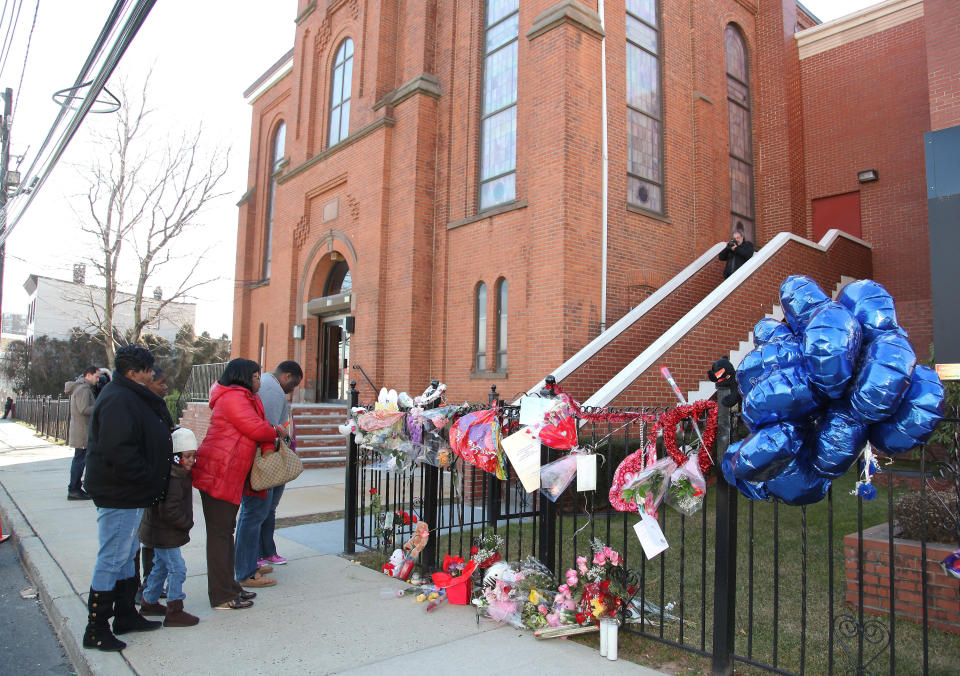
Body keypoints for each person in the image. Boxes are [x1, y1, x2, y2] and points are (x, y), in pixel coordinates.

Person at [82, 345, 172, 652]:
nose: (152, 374)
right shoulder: (118, 399)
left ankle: (124, 615)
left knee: (126, 553)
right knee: (112, 557)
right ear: (133, 373)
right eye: (148, 370)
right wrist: (147, 475)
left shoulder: (128, 395)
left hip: (129, 492)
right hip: (119, 491)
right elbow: (120, 451)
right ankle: (96, 628)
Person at [191, 359, 284, 610]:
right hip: (218, 473)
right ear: (242, 377)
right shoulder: (234, 398)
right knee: (220, 536)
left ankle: (231, 587)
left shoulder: (244, 397)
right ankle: (221, 596)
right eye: (255, 376)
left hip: (228, 474)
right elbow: (256, 428)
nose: (258, 381)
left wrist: (270, 433)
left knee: (225, 533)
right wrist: (276, 431)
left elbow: (259, 428)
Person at [235, 361, 303, 580]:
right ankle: (249, 564)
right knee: (256, 511)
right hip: (266, 457)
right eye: (295, 383)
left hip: (268, 453)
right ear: (286, 375)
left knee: (265, 510)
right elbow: (269, 428)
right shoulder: (272, 389)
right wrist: (280, 435)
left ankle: (263, 553)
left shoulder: (266, 386)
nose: (294, 389)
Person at [138, 427, 200, 627]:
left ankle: (149, 601)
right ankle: (175, 609)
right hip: (165, 533)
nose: (191, 460)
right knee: (177, 569)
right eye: (187, 456)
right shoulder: (173, 479)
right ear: (175, 457)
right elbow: (169, 511)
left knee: (161, 566)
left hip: (160, 532)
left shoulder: (174, 474)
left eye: (193, 456)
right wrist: (186, 523)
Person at [135, 365, 173, 604]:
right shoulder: (139, 408)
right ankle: (142, 587)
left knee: (154, 535)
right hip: (144, 482)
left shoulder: (158, 405)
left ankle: (152, 583)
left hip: (159, 479)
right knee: (145, 536)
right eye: (161, 383)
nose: (166, 387)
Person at [65, 366, 100, 500]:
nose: (97, 380)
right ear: (88, 375)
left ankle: (75, 487)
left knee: (80, 460)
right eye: (96, 377)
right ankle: (74, 489)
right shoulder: (83, 389)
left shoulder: (81, 388)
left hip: (82, 429)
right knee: (80, 461)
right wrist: (99, 406)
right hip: (82, 431)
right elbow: (84, 409)